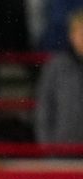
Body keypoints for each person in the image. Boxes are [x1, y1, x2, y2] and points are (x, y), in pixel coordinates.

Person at [35, 8, 83, 144]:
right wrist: (47, 145)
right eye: (81, 33)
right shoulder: (56, 66)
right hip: (61, 149)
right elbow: (44, 107)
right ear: (71, 35)